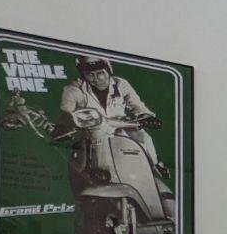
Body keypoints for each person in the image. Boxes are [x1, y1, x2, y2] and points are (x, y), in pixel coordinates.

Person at [54, 55, 170, 191]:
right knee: (95, 147)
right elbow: (66, 112)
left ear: (108, 69)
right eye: (90, 75)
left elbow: (138, 106)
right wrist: (64, 125)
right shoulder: (74, 89)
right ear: (83, 74)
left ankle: (154, 165)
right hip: (93, 131)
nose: (96, 79)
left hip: (121, 126)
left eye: (100, 73)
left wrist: (146, 117)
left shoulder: (121, 84)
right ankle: (102, 177)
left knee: (143, 137)